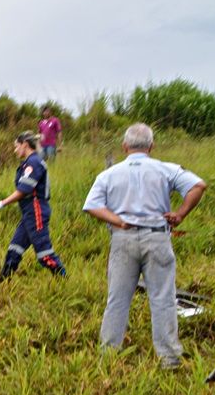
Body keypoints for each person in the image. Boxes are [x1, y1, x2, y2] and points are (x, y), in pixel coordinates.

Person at [82, 123, 206, 369]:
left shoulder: (108, 174)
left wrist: (117, 220)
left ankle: (108, 356)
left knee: (117, 298)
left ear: (124, 146)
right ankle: (169, 358)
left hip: (122, 239)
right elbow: (198, 185)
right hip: (157, 237)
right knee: (162, 297)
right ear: (151, 146)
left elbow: (92, 205)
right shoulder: (164, 169)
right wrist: (180, 214)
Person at [0, 132, 67, 280]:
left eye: (16, 146)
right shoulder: (29, 163)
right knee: (14, 249)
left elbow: (23, 191)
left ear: (25, 144)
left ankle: (64, 278)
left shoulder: (33, 163)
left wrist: (2, 203)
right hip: (28, 213)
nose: (15, 150)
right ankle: (3, 283)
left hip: (36, 210)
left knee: (44, 254)